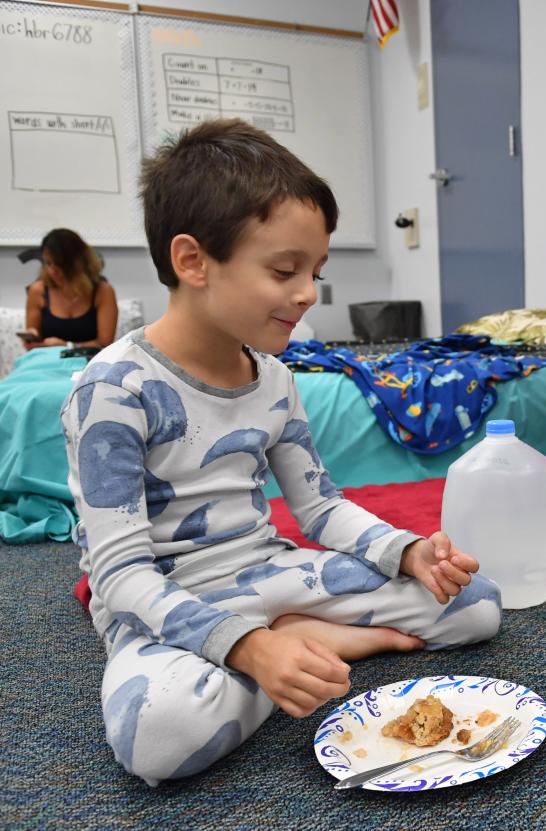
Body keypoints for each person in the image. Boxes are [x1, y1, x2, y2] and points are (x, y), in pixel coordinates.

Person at [60, 119, 501, 786]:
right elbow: (120, 576)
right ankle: (297, 643)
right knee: (158, 736)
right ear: (193, 260)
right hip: (165, 599)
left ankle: (288, 641)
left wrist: (404, 550)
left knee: (475, 604)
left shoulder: (275, 379)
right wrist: (249, 644)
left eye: (315, 272)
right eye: (284, 270)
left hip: (268, 573)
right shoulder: (113, 388)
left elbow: (320, 507)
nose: (308, 293)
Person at [20, 228, 118, 350]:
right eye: (48, 263)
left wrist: (66, 346)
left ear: (78, 263)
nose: (52, 271)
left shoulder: (103, 291)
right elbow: (33, 346)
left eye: (59, 264)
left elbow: (104, 344)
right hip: (47, 362)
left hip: (89, 363)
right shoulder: (38, 290)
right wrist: (32, 336)